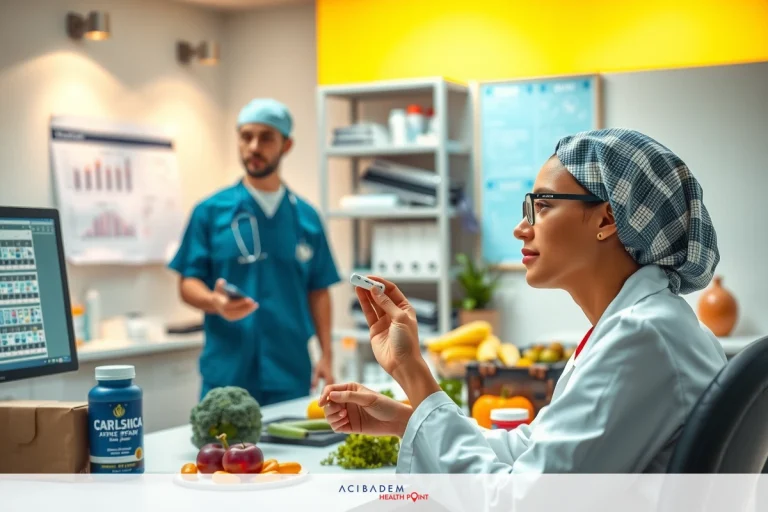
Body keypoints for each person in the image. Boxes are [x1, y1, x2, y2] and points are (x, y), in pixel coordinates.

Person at [319, 128, 728, 473]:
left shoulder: (641, 337)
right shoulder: (641, 325)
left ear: (607, 220)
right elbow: (531, 449)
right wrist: (407, 420)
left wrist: (413, 374)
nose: (521, 229)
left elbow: (518, 501)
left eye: (544, 206)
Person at [169, 98, 340, 406]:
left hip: (289, 372)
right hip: (227, 372)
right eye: (246, 136)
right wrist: (214, 302)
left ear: (286, 145)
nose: (253, 147)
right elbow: (187, 283)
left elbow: (319, 291)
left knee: (290, 455)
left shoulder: (307, 218)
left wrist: (327, 354)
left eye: (266, 137)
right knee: (219, 452)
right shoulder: (210, 212)